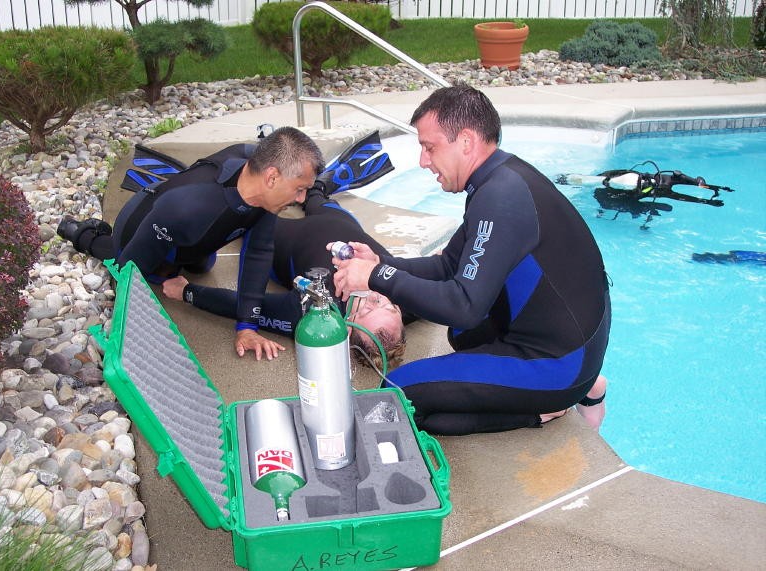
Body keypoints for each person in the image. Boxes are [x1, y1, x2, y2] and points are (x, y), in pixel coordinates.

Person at [332, 84, 611, 434]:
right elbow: (449, 267)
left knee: (397, 395)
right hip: (569, 337)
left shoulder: (501, 199)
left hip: (561, 362)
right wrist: (378, 263)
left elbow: (464, 305)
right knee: (463, 335)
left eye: (428, 148)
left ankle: (544, 409)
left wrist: (376, 278)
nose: (422, 161)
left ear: (465, 142)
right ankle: (581, 388)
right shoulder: (500, 179)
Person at [57, 126, 324, 361]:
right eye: (299, 189)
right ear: (272, 177)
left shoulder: (256, 167)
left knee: (204, 264)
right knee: (148, 269)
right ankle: (81, 233)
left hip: (192, 229)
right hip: (142, 222)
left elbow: (258, 251)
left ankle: (175, 256)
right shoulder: (188, 208)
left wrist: (247, 326)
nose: (302, 199)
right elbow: (129, 273)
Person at [161, 186, 408, 370]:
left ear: (349, 324)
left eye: (368, 308)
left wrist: (188, 292)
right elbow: (438, 288)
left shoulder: (314, 311)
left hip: (290, 241)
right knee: (318, 198)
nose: (377, 295)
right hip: (342, 220)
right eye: (389, 305)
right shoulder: (407, 298)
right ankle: (315, 189)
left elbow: (247, 305)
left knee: (254, 216)